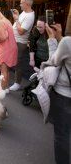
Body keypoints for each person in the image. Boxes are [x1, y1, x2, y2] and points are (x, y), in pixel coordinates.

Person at [44, 23, 71, 164]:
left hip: (65, 96)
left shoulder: (68, 42)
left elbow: (53, 61)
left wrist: (52, 39)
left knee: (62, 135)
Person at [10, 0, 35, 91]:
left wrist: (16, 19)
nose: (20, 4)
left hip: (20, 42)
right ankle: (6, 77)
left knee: (17, 63)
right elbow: (18, 25)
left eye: (21, 3)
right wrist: (17, 16)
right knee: (11, 60)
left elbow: (21, 31)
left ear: (27, 4)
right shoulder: (24, 13)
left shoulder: (30, 16)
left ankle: (17, 83)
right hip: (15, 41)